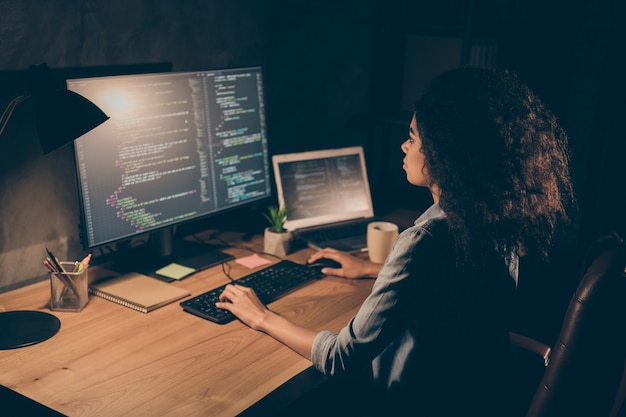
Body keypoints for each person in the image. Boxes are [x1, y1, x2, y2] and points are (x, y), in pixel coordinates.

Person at [216, 67, 575, 416]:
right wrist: (374, 269)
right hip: (472, 398)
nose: (404, 146)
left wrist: (261, 316)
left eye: (413, 137)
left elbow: (343, 357)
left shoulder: (424, 240)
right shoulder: (495, 221)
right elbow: (449, 288)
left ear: (445, 153)